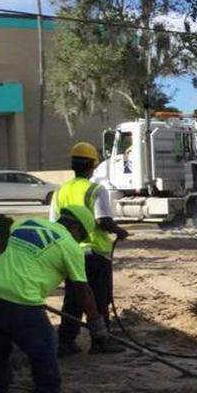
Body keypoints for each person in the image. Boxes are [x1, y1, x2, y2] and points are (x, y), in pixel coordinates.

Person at [0, 205, 112, 393]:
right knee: (44, 349)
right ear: (75, 228)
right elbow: (83, 290)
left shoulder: (24, 223)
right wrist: (97, 326)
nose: (79, 241)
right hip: (20, 298)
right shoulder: (69, 245)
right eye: (81, 236)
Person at [52, 142, 130, 356]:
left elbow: (54, 222)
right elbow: (103, 220)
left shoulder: (60, 191)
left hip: (71, 252)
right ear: (92, 166)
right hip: (95, 253)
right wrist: (119, 231)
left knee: (73, 299)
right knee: (100, 298)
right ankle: (100, 342)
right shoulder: (96, 189)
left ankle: (66, 342)